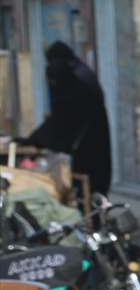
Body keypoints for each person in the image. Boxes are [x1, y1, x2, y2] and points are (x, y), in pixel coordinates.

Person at [22, 42, 112, 195]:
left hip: (92, 148)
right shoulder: (75, 80)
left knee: (92, 187)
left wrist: (36, 140)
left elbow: (64, 120)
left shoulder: (79, 86)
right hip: (87, 148)